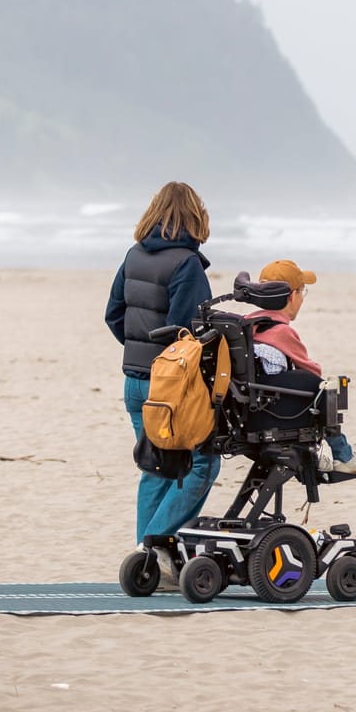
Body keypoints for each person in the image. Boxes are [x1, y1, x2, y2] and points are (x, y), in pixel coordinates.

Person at [105, 182, 219, 569]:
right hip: (168, 386)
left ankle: (147, 560)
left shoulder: (133, 256)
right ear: (195, 217)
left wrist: (139, 350)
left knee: (156, 466)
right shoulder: (186, 265)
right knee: (201, 462)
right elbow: (188, 333)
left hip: (134, 381)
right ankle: (155, 547)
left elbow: (114, 314)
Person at [246, 258, 356, 478]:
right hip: (274, 410)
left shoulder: (247, 323)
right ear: (291, 296)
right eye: (302, 291)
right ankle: (342, 456)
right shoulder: (281, 332)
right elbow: (311, 371)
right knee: (325, 389)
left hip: (250, 407)